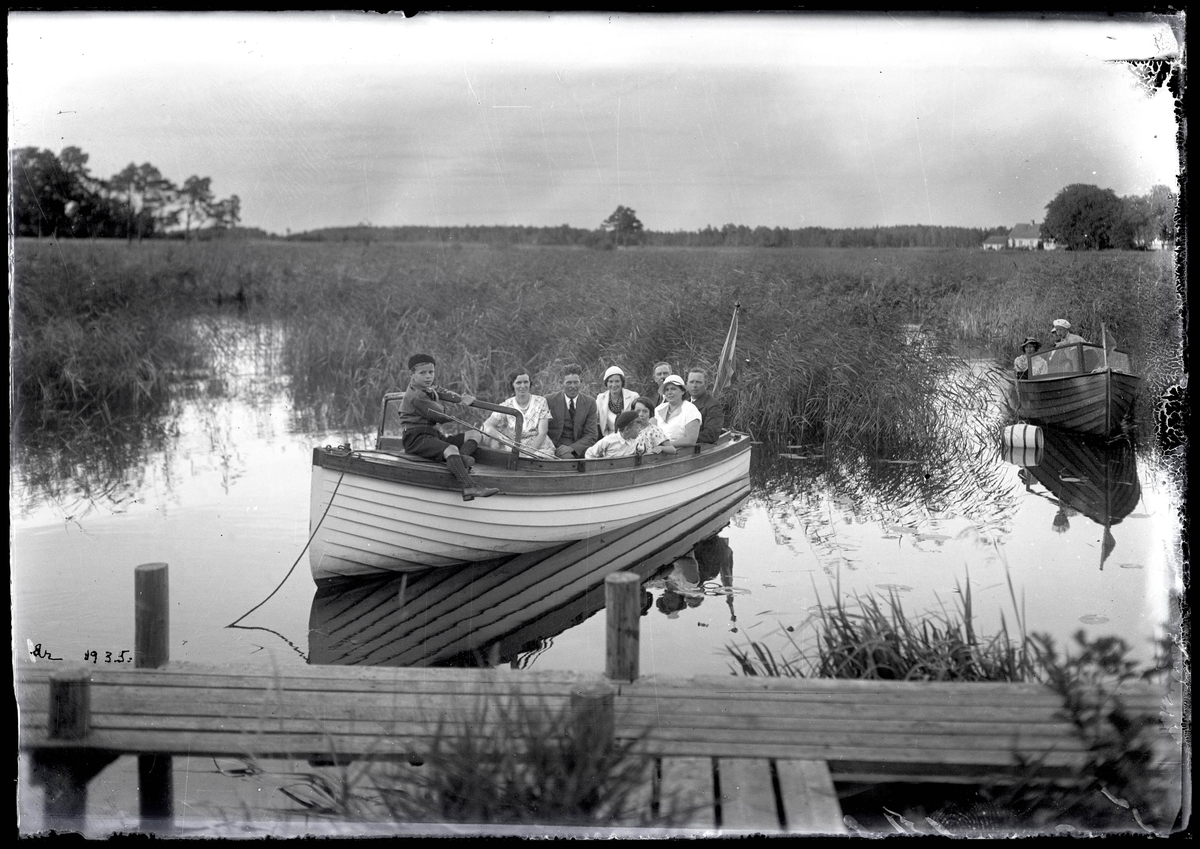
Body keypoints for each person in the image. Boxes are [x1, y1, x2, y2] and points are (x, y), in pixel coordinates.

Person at [398, 353, 499, 501]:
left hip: (431, 434)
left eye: (431, 372)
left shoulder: (426, 388)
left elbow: (440, 390)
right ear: (411, 374)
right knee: (451, 449)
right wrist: (463, 404)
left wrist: (458, 397)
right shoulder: (417, 396)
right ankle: (469, 486)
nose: (428, 377)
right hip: (416, 438)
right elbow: (443, 416)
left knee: (475, 434)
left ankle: (459, 462)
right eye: (422, 373)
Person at [482, 370, 554, 458]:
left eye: (526, 382)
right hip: (516, 448)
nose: (523, 386)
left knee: (533, 461)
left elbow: (542, 433)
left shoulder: (540, 401)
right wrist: (505, 440)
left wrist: (527, 453)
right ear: (512, 384)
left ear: (530, 383)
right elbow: (487, 425)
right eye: (518, 383)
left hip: (539, 447)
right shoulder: (507, 405)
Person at [544, 364, 600, 459]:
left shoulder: (590, 402)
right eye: (568, 383)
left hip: (581, 446)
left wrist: (572, 448)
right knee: (569, 460)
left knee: (595, 458)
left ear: (581, 382)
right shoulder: (549, 400)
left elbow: (592, 434)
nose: (573, 386)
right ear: (561, 383)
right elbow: (542, 429)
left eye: (576, 382)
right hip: (558, 447)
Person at [655, 374, 701, 449]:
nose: (669, 392)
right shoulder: (658, 409)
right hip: (657, 452)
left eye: (673, 389)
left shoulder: (690, 409)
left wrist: (665, 446)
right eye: (667, 390)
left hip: (679, 453)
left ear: (682, 391)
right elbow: (650, 431)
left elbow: (691, 440)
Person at [595, 365, 640, 437]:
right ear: (606, 383)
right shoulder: (600, 398)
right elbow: (593, 416)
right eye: (610, 381)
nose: (614, 385)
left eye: (617, 381)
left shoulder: (633, 396)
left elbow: (639, 419)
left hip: (629, 437)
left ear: (622, 382)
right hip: (609, 438)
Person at [685, 368, 726, 443]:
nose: (694, 385)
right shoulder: (684, 404)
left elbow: (711, 435)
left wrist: (682, 438)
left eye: (698, 382)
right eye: (691, 382)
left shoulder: (713, 405)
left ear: (706, 385)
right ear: (687, 384)